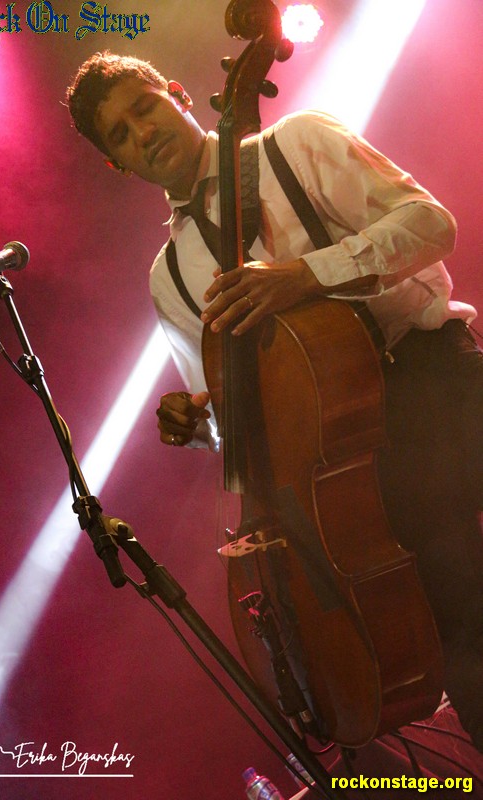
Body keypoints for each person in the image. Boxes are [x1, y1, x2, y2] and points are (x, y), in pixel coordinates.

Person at [66, 51, 483, 751]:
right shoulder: (169, 277)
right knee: (466, 641)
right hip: (358, 464)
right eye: (121, 134)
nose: (142, 132)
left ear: (177, 94)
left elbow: (430, 225)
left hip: (438, 387)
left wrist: (307, 275)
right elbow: (237, 416)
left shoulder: (297, 143)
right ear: (117, 164)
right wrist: (199, 420)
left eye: (144, 108)